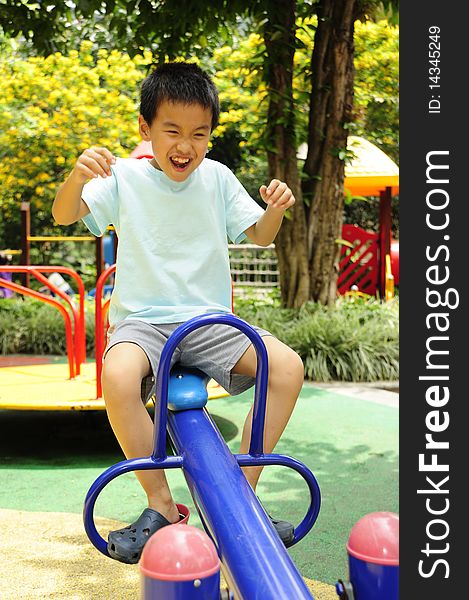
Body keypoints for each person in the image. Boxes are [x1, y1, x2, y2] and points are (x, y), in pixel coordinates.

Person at [53, 61, 304, 564]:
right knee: (119, 378)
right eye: (172, 130)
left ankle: (239, 493)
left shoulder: (217, 178)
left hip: (208, 322)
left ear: (210, 135)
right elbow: (65, 214)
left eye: (199, 133)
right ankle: (162, 504)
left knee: (288, 367)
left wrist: (274, 208)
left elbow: (258, 234)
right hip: (142, 321)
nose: (185, 145)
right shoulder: (124, 177)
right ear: (146, 129)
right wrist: (78, 175)